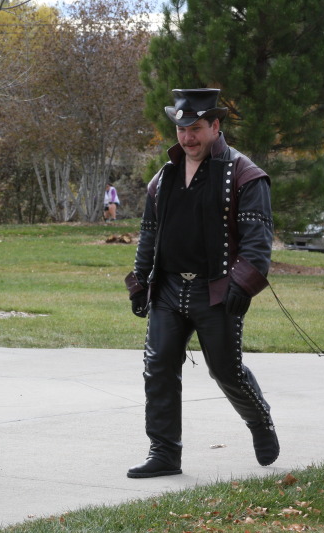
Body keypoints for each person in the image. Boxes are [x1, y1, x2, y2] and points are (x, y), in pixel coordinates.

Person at [124, 88, 278, 478]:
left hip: (217, 289)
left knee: (226, 371)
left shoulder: (245, 174)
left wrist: (242, 285)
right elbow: (149, 234)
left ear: (215, 126)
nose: (188, 137)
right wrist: (140, 282)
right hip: (169, 288)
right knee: (158, 367)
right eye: (182, 129)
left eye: (195, 128)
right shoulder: (165, 177)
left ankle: (260, 421)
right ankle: (164, 453)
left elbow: (258, 240)